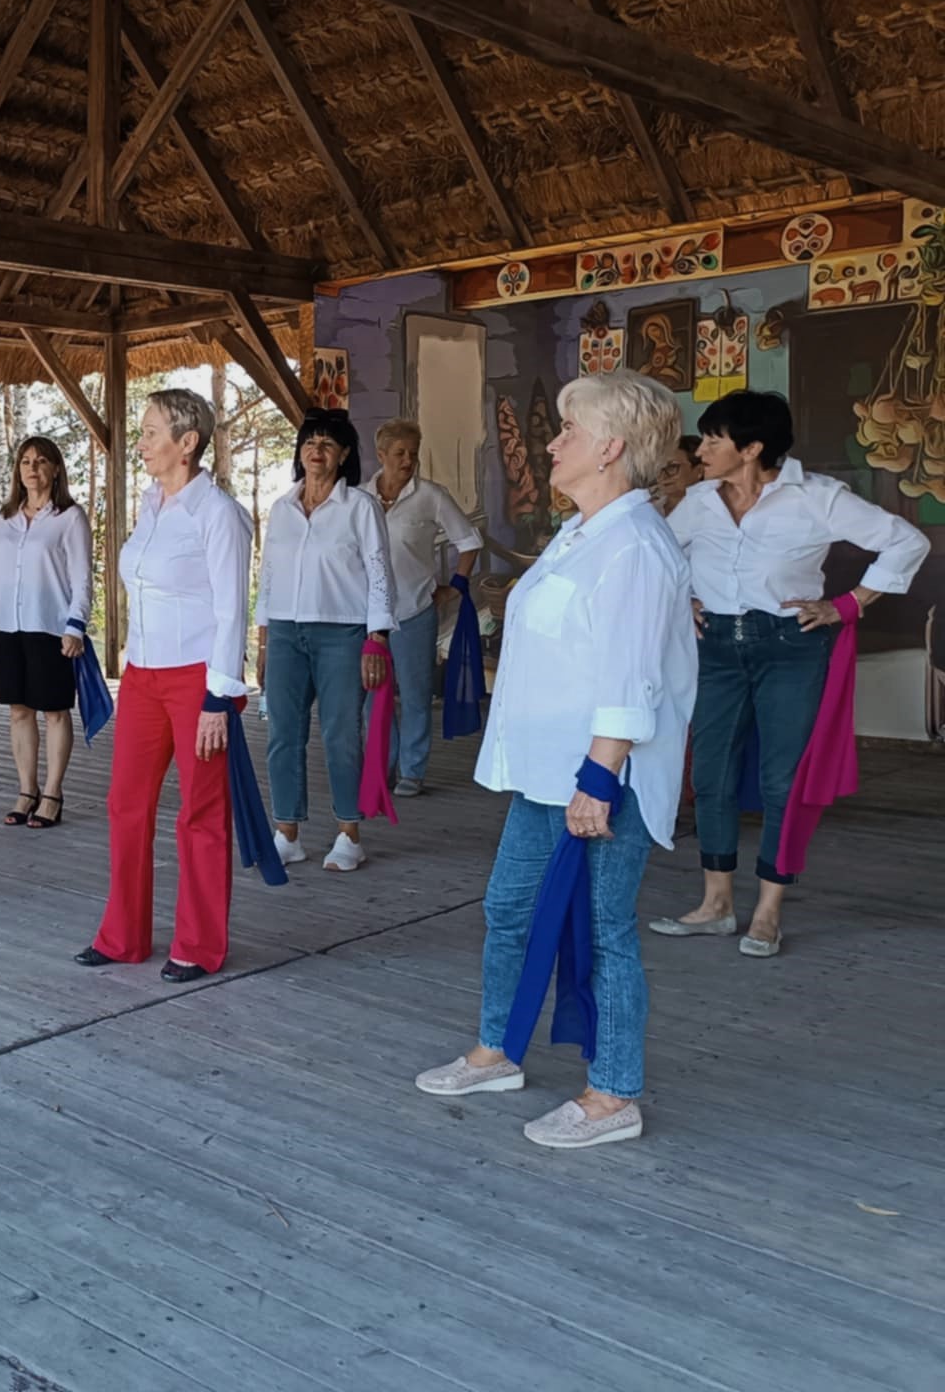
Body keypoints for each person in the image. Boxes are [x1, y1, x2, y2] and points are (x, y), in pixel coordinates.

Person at [415, 370, 694, 1149]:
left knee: (603, 932)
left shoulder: (635, 545)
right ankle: (497, 1050)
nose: (553, 443)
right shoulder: (583, 532)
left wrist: (598, 779)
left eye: (571, 430)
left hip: (599, 780)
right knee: (507, 909)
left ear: (611, 448)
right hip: (546, 773)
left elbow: (632, 675)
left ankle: (614, 1094)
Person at [652, 389, 929, 957]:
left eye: (713, 439)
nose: (701, 450)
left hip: (790, 647)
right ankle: (716, 905)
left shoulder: (816, 497)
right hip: (716, 648)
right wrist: (683, 600)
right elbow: (662, 558)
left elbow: (906, 541)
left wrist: (847, 605)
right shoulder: (699, 501)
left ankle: (768, 912)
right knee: (711, 776)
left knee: (782, 779)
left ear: (752, 448)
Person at [75, 389, 252, 983]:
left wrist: (218, 697)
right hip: (142, 677)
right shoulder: (152, 504)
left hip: (198, 679)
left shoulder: (219, 514)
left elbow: (232, 609)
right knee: (125, 803)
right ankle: (123, 936)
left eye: (151, 432)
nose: (141, 443)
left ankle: (198, 945)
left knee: (201, 810)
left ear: (187, 442)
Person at [256, 408, 395, 873]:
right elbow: (268, 574)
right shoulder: (282, 508)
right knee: (282, 733)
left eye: (328, 443)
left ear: (345, 455)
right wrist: (263, 638)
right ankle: (287, 833)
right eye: (310, 441)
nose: (317, 450)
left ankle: (349, 834)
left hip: (343, 632)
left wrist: (377, 637)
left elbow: (379, 572)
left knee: (340, 734)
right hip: (285, 632)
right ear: (300, 451)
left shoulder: (360, 507)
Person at [0, 436, 94, 830]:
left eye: (41, 461)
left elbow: (82, 578)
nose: (32, 468)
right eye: (25, 461)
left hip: (50, 627)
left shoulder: (69, 517)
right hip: (9, 626)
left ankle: (52, 793)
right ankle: (27, 790)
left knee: (54, 711)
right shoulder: (5, 518)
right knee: (19, 710)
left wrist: (75, 625)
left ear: (55, 469)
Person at [368, 418, 481, 797]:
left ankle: (412, 771)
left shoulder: (431, 495)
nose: (407, 461)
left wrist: (456, 587)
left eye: (413, 454)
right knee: (373, 694)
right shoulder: (360, 497)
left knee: (416, 695)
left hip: (415, 608)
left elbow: (469, 541)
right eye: (399, 453)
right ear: (381, 455)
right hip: (369, 614)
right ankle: (381, 767)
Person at [653, 434, 703, 517]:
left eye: (672, 467)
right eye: (658, 468)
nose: (663, 476)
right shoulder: (651, 511)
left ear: (699, 471)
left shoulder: (709, 512)